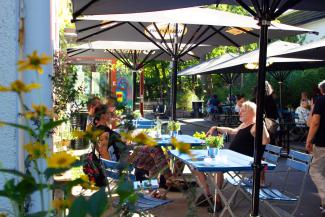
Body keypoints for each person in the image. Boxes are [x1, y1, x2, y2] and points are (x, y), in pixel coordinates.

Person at [194, 101, 270, 211]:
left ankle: (217, 201)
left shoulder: (256, 126)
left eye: (242, 111)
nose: (239, 113)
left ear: (251, 113)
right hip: (231, 158)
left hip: (242, 162)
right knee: (196, 162)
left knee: (218, 168)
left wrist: (261, 124)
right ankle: (207, 194)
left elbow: (265, 141)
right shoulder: (244, 125)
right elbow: (232, 131)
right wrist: (216, 128)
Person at [306, 80, 325, 215]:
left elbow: (314, 122)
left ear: (321, 90)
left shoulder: (321, 101)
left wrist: (309, 140)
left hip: (323, 142)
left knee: (315, 170)